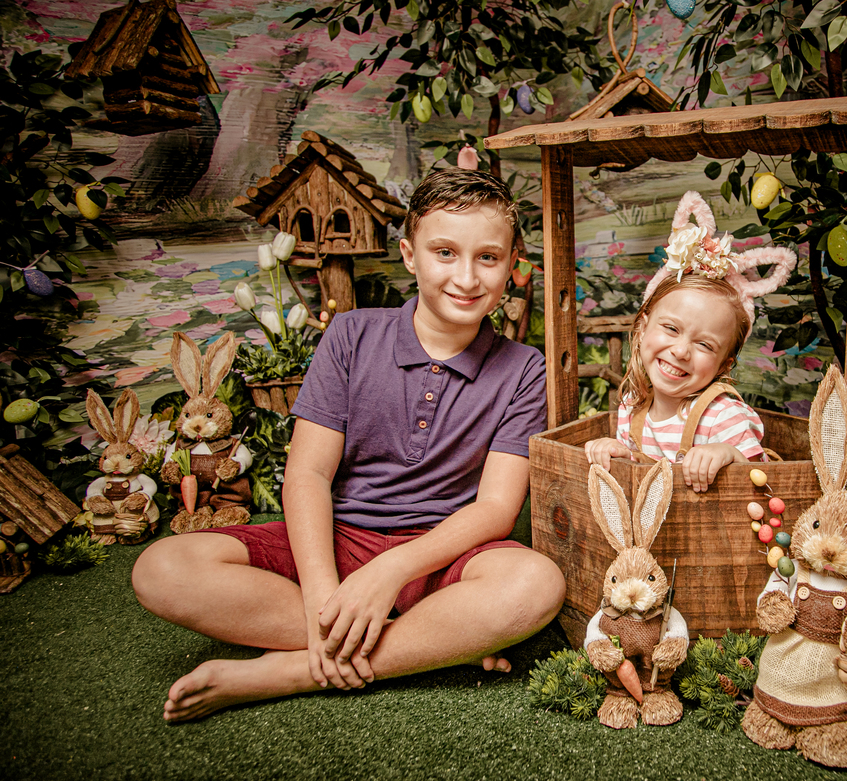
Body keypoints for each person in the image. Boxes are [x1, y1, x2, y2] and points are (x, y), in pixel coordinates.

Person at [132, 168, 564, 722]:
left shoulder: (525, 369)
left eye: (488, 257)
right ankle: (423, 643)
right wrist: (321, 596)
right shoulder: (352, 334)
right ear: (410, 255)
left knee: (534, 584)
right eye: (445, 253)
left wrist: (389, 573)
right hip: (336, 540)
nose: (466, 276)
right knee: (163, 569)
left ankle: (291, 672)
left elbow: (496, 510)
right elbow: (307, 475)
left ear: (511, 264)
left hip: (442, 555)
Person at [584, 190, 797, 492]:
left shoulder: (722, 416)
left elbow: (762, 482)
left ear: (725, 363)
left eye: (704, 345)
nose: (681, 350)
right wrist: (619, 454)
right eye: (671, 328)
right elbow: (638, 479)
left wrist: (729, 455)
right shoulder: (632, 406)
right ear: (643, 328)